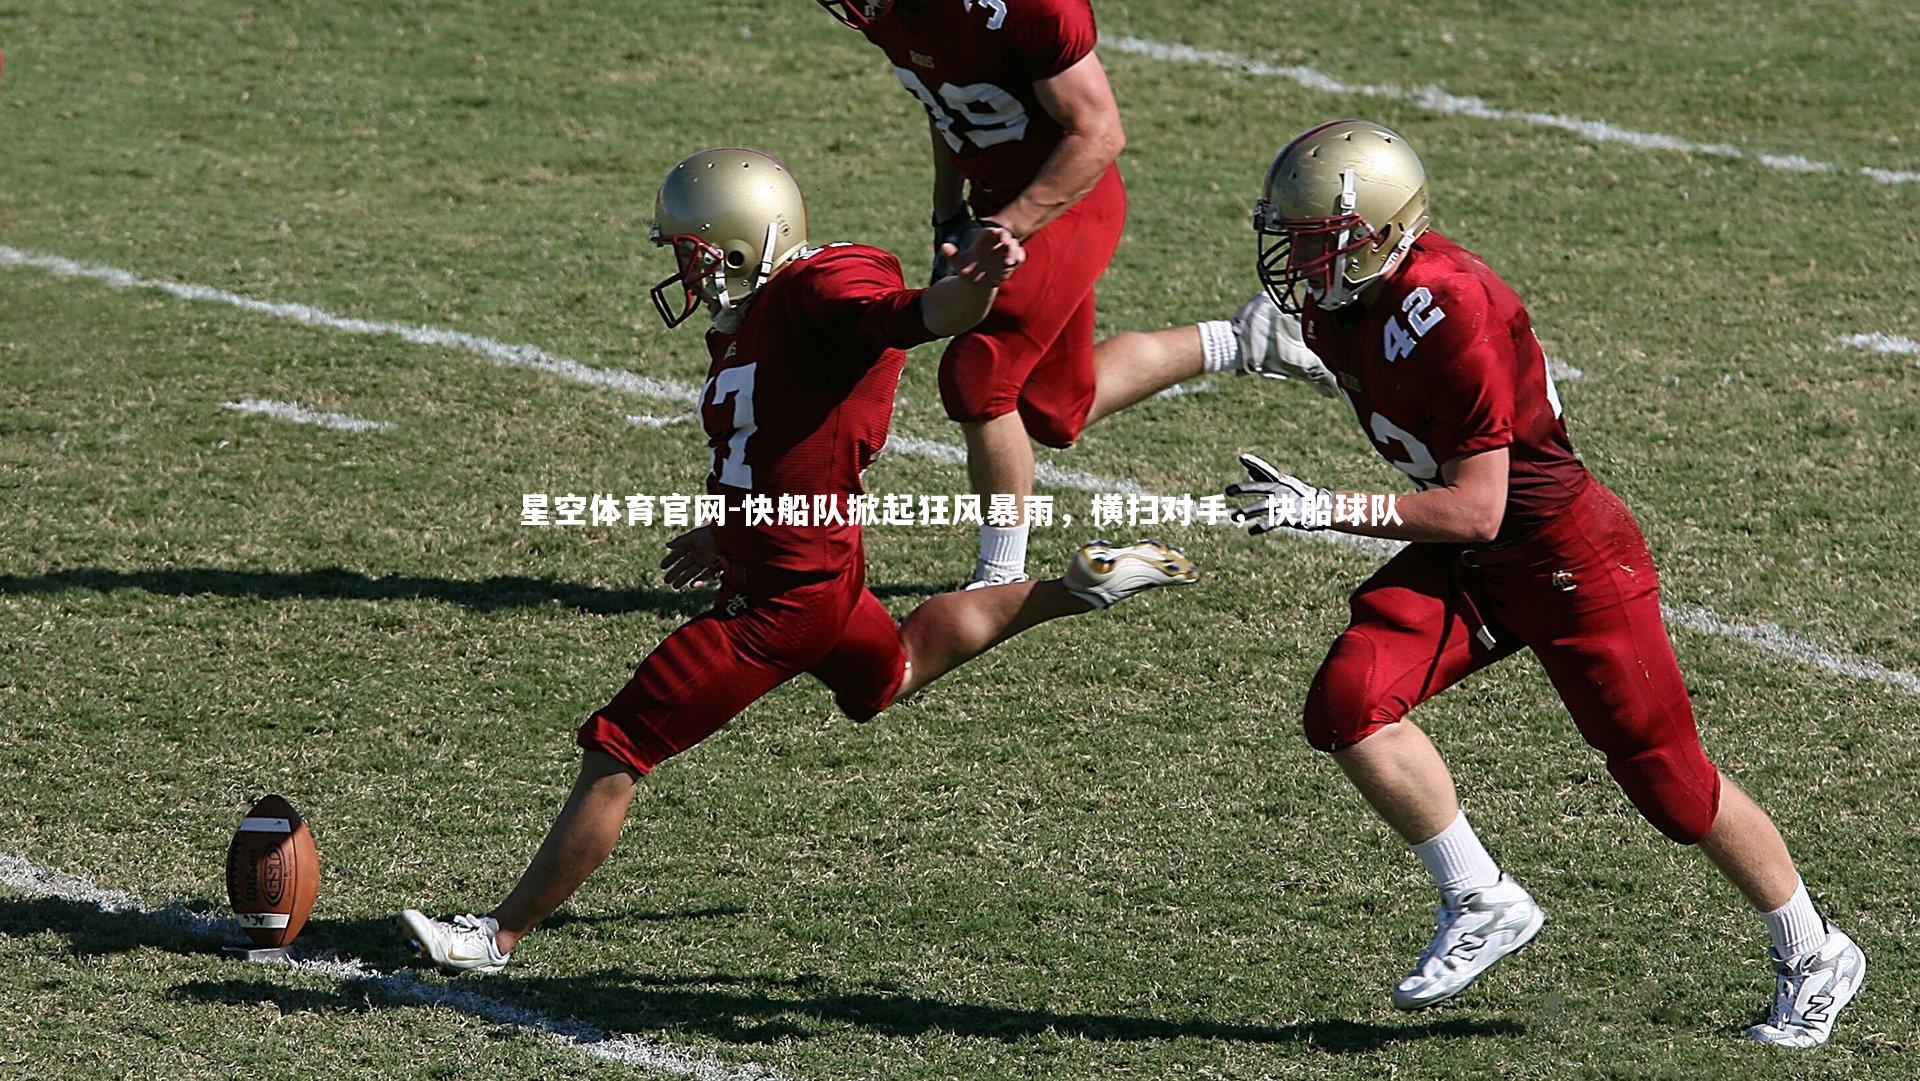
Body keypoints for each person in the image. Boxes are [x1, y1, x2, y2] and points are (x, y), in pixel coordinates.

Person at [398, 148, 1197, 972]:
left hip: (777, 604)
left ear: (746, 243)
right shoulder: (765, 313)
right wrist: (731, 525)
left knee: (621, 744)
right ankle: (1077, 587)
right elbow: (787, 435)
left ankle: (494, 935)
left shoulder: (821, 291)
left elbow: (917, 314)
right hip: (820, 565)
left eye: (694, 250)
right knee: (891, 674)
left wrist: (975, 287)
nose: (684, 268)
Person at [1221, 120, 1863, 1048]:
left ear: (1377, 232)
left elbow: (1478, 507)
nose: (1299, 257)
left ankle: (1815, 949)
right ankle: (1480, 897)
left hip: (1560, 551)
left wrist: (1321, 507)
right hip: (1480, 559)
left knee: (1669, 783)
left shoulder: (1456, 306)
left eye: (1318, 237)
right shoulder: (1336, 304)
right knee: (1350, 700)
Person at [818, 0, 1312, 587]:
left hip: (1067, 205)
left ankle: (999, 577)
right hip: (999, 203)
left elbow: (1100, 132)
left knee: (977, 376)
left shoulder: (1025, 10)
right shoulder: (895, 15)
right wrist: (948, 212)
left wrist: (1008, 224)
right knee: (1057, 409)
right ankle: (1248, 339)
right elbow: (946, 106)